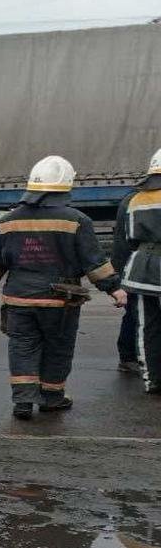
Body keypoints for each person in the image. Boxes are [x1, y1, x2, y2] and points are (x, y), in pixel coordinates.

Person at [0, 155, 127, 420]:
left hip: (19, 300)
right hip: (59, 301)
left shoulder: (8, 220)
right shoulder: (77, 220)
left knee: (22, 347)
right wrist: (114, 289)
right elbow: (94, 261)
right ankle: (51, 398)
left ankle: (23, 401)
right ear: (65, 186)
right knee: (58, 348)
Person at [111, 148, 161, 393]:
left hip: (141, 270)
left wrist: (119, 279)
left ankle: (152, 380)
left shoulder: (133, 199)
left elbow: (125, 241)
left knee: (147, 326)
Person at [111, 189, 141, 375]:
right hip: (137, 267)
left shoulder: (133, 198)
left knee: (136, 312)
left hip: (134, 266)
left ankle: (129, 357)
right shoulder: (136, 200)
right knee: (136, 312)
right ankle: (128, 357)